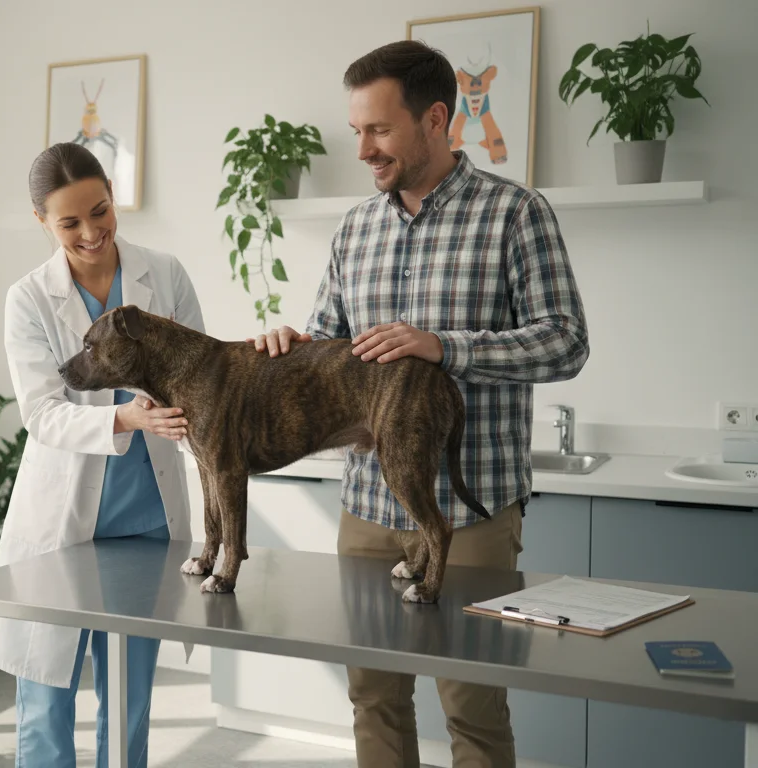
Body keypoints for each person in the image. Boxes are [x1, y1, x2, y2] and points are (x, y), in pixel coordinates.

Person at [251, 41, 589, 768]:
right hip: (368, 507)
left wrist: (447, 347)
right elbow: (333, 349)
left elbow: (566, 343)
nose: (365, 150)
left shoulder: (514, 213)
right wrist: (291, 346)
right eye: (357, 134)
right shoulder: (355, 229)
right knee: (372, 696)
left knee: (472, 704)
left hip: (470, 512)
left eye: (379, 130)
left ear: (436, 118)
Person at [0, 141, 206, 768]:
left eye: (100, 210)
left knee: (129, 697)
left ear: (112, 193)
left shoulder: (163, 274)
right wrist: (125, 416)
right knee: (46, 693)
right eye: (70, 222)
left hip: (147, 520)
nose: (91, 233)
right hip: (61, 528)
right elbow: (41, 413)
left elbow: (200, 373)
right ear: (43, 224)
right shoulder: (28, 298)